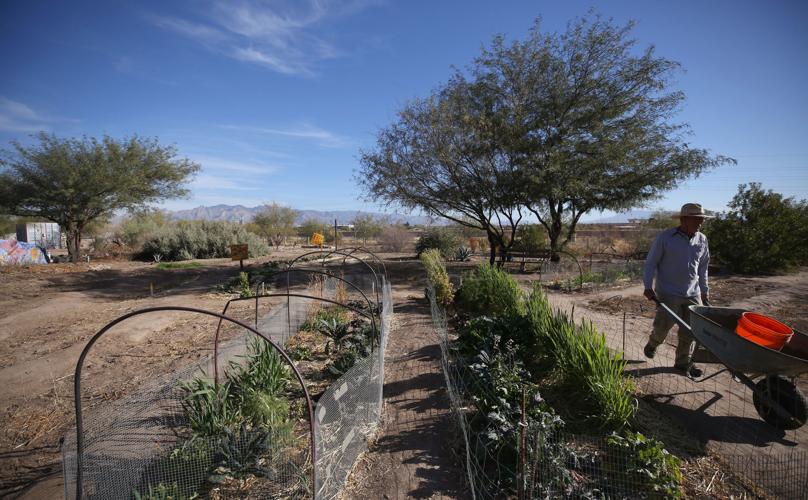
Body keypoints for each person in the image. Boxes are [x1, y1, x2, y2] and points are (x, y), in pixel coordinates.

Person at [642, 203, 713, 378]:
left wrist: (704, 290)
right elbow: (651, 263)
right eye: (696, 219)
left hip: (693, 292)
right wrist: (648, 287)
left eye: (701, 219)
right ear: (683, 219)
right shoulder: (666, 238)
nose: (700, 223)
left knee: (690, 330)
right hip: (668, 291)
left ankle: (683, 363)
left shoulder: (702, 239)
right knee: (663, 326)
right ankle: (653, 343)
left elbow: (703, 267)